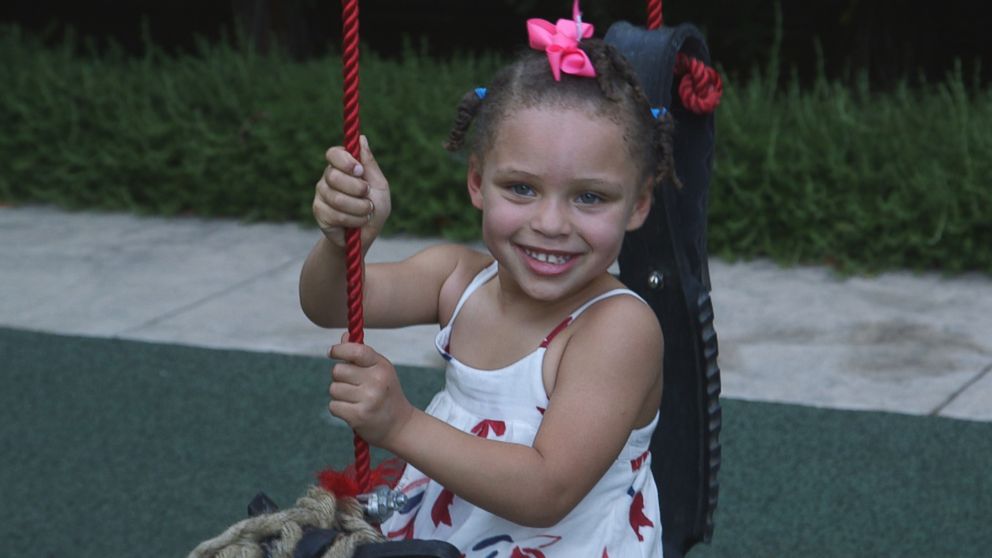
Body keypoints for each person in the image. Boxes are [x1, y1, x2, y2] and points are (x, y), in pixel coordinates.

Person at [299, 12, 679, 557]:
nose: (550, 223)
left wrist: (400, 425)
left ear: (639, 203)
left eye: (589, 197)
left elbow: (547, 488)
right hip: (448, 541)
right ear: (478, 181)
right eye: (521, 188)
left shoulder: (617, 328)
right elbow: (328, 301)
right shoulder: (458, 280)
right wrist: (344, 243)